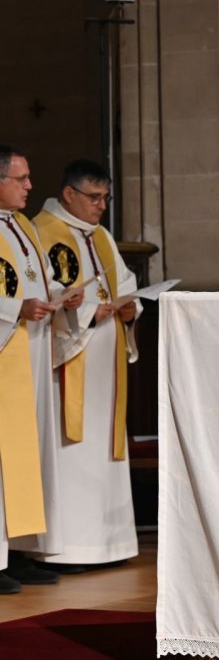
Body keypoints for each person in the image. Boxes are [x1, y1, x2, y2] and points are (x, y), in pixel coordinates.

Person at [33, 159, 140, 570]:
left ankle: (106, 545)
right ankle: (68, 547)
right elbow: (45, 294)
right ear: (69, 195)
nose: (101, 206)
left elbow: (126, 284)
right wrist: (90, 312)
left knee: (101, 451)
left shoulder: (102, 237)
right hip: (68, 366)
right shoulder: (43, 232)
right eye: (94, 197)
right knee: (71, 450)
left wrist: (131, 311)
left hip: (104, 371)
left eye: (105, 198)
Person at [0, 146, 78, 593]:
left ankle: (21, 551)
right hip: (6, 353)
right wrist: (14, 308)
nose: (30, 186)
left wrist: (66, 294)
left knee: (31, 453)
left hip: (32, 352)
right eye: (20, 178)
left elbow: (43, 275)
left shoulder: (22, 225)